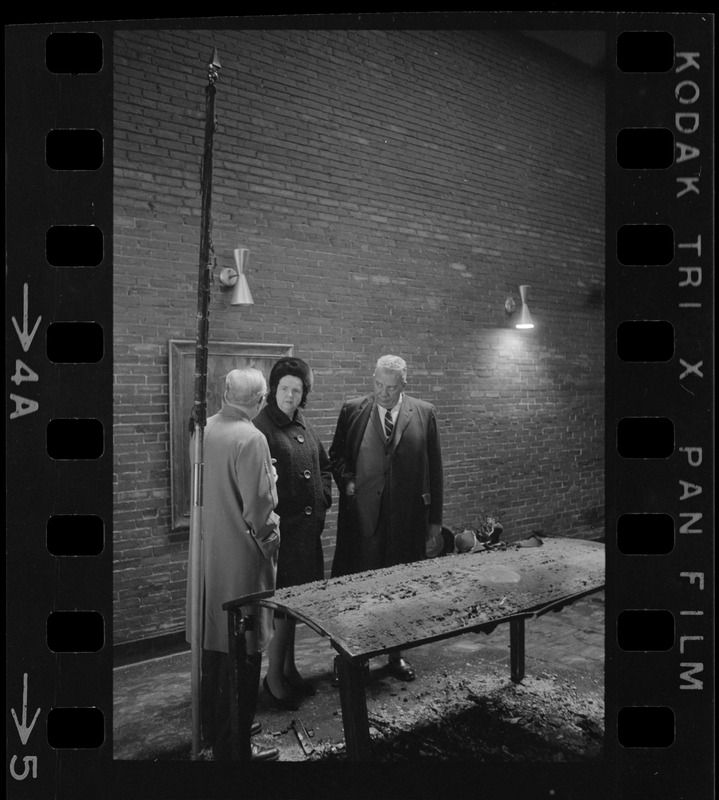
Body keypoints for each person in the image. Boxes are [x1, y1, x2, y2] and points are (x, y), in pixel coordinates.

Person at [185, 367, 281, 761]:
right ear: (260, 401)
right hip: (241, 565)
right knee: (242, 658)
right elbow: (259, 509)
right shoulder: (251, 438)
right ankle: (235, 749)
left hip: (208, 560)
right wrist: (272, 538)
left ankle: (215, 731)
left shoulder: (202, 429)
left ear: (225, 393)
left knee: (214, 655)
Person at [329, 354, 444, 681]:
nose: (383, 392)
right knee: (359, 592)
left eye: (391, 388)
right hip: (363, 522)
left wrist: (434, 521)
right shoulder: (353, 410)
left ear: (403, 385)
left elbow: (434, 470)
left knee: (399, 590)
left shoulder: (424, 413)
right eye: (378, 384)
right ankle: (355, 659)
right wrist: (349, 483)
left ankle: (395, 654)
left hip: (407, 521)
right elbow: (336, 457)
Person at [253, 357, 333, 708]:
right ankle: (273, 678)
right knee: (282, 607)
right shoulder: (262, 429)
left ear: (304, 395)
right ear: (274, 390)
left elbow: (324, 465)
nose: (289, 395)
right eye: (284, 388)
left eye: (296, 390)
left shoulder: (303, 423)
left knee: (296, 606)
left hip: (306, 534)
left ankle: (288, 667)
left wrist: (324, 497)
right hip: (282, 536)